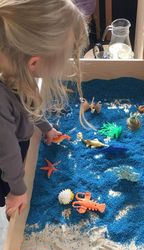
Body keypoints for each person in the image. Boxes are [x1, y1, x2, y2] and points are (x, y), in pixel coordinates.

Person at [0, 0, 88, 219]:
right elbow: (7, 153)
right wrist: (18, 190)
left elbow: (25, 102)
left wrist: (46, 127)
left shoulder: (12, 66)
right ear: (34, 62)